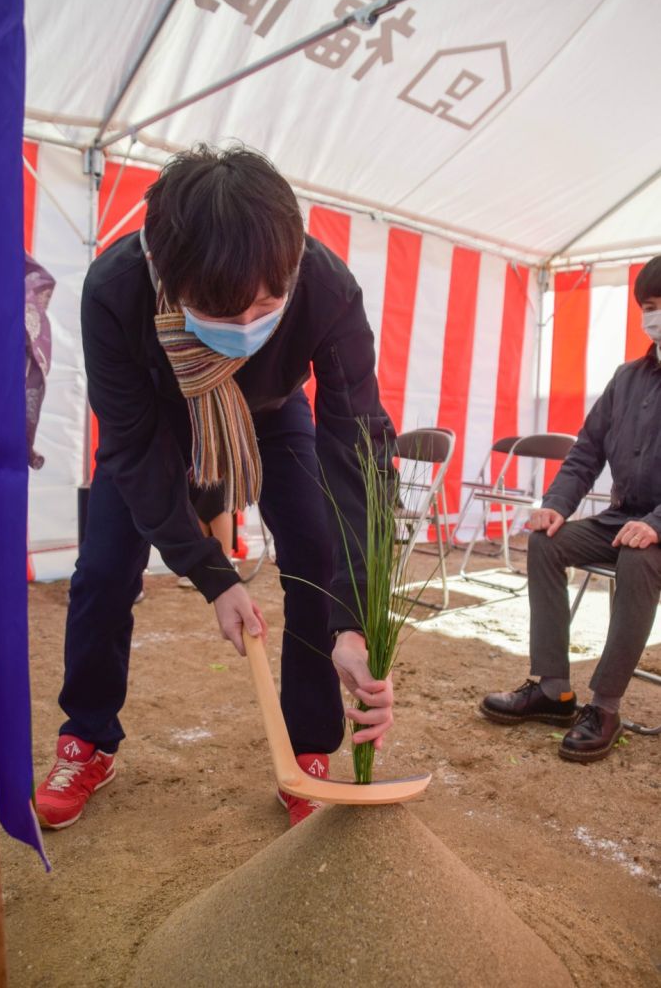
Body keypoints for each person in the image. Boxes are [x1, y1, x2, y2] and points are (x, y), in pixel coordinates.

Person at [34, 144, 395, 830]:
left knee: (315, 558)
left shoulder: (323, 283)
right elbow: (133, 449)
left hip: (271, 413)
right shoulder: (116, 286)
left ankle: (308, 749)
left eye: (266, 304)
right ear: (166, 272)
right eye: (220, 311)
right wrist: (212, 574)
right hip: (157, 421)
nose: (246, 330)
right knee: (104, 570)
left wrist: (352, 615)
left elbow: (357, 440)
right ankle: (86, 739)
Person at [481, 254, 661, 762]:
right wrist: (556, 505)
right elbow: (585, 452)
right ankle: (554, 690)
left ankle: (605, 706)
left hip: (654, 532)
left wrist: (655, 526)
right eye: (650, 305)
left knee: (638, 556)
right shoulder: (626, 379)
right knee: (544, 542)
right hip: (622, 516)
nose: (655, 314)